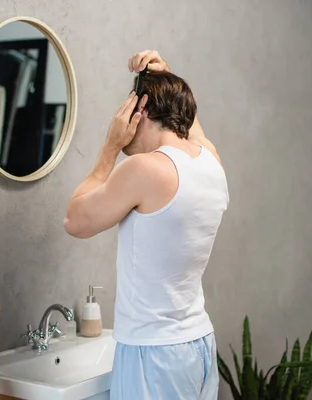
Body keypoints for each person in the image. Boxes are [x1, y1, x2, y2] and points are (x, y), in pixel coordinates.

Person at [64, 50, 229, 399]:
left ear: (140, 112)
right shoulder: (211, 162)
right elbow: (191, 127)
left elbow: (74, 221)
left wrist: (111, 145)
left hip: (152, 353)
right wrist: (165, 76)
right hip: (198, 345)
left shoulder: (147, 169)